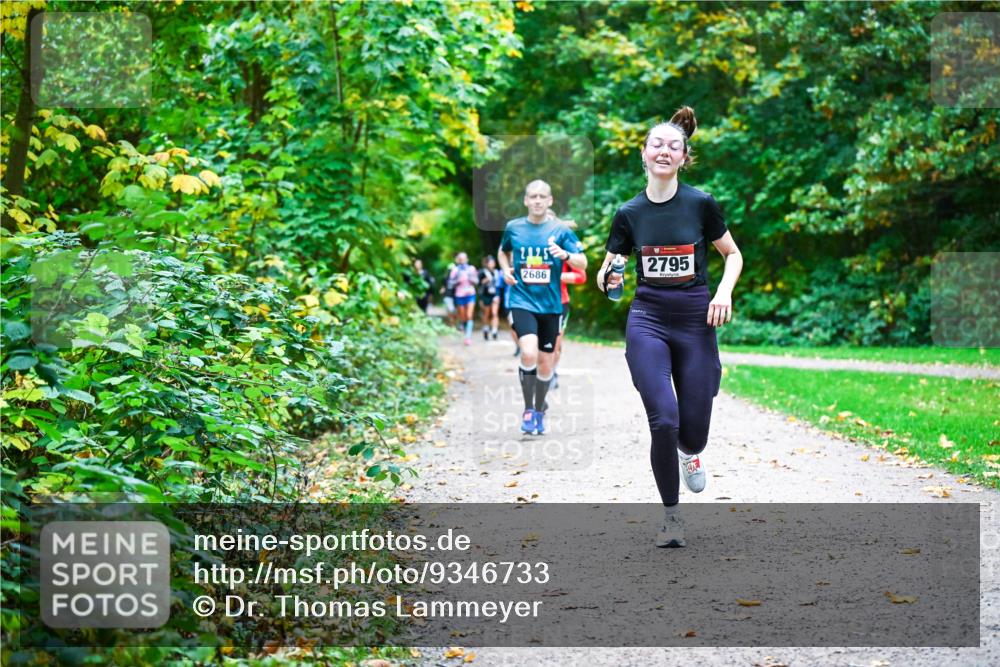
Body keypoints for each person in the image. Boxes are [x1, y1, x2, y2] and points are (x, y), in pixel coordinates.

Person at [596, 107, 743, 548]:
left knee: (692, 431)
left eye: (672, 146)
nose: (664, 151)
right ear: (643, 155)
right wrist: (612, 280)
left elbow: (732, 255)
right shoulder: (628, 213)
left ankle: (689, 453)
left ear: (683, 157)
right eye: (656, 144)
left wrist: (723, 293)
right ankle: (671, 518)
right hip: (648, 319)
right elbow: (608, 279)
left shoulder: (700, 204)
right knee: (664, 419)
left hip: (696, 318)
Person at [498, 180, 586, 436]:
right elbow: (503, 252)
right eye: (532, 196)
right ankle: (528, 410)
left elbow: (583, 263)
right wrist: (505, 270)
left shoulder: (561, 231)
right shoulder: (513, 228)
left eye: (542, 197)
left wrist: (565, 256)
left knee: (546, 364)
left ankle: (538, 409)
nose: (537, 200)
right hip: (522, 300)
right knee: (528, 353)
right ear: (525, 200)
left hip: (551, 305)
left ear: (550, 201)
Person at [546, 210, 586, 390]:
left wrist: (557, 276)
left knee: (554, 344)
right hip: (532, 301)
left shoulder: (562, 245)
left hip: (559, 301)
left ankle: (551, 372)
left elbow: (581, 277)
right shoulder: (529, 243)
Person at [448, 252, 479, 346]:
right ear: (458, 260)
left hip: (470, 294)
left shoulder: (471, 269)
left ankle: (468, 337)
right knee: (463, 317)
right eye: (460, 259)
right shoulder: (455, 270)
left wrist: (470, 278)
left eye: (464, 258)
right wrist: (457, 280)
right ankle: (465, 328)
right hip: (459, 295)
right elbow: (450, 283)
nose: (462, 260)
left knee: (469, 315)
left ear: (467, 259)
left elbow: (477, 281)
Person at [478, 255, 502, 340]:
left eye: (493, 262)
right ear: (487, 264)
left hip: (495, 295)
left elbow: (500, 285)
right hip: (485, 295)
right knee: (486, 313)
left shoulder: (497, 272)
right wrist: (486, 280)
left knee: (495, 313)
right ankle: (486, 328)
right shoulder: (482, 272)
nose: (492, 264)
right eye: (490, 262)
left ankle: (495, 330)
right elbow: (478, 284)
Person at [440, 263, 457, 329]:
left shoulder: (458, 277)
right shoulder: (445, 278)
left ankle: (454, 324)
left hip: (456, 296)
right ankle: (452, 324)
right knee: (451, 310)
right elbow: (443, 286)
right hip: (447, 296)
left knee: (455, 311)